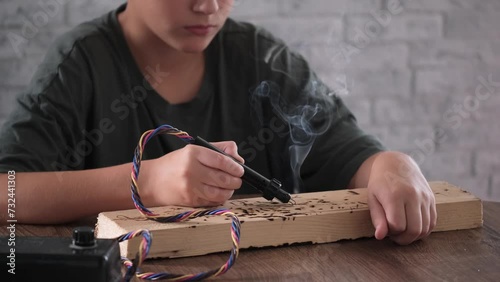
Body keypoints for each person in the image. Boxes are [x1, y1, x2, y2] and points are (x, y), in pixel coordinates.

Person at [0, 0, 435, 245]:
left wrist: (390, 165)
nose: (207, 6)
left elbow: (351, 152)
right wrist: (144, 184)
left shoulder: (262, 57)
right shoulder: (81, 65)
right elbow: (7, 193)